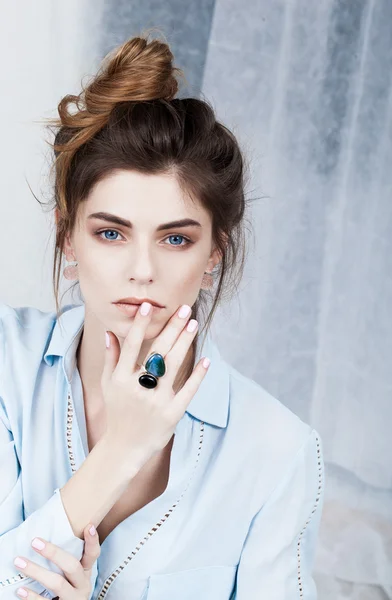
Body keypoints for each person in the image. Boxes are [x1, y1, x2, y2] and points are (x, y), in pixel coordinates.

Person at [0, 32, 325, 600]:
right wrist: (125, 447)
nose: (142, 270)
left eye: (175, 239)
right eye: (110, 233)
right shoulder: (8, 363)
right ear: (67, 237)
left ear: (214, 253)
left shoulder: (276, 451)